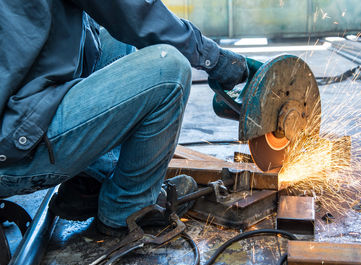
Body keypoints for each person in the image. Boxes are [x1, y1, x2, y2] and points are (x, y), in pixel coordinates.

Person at [0, 0, 248, 236]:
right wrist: (213, 58)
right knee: (169, 69)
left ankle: (91, 184)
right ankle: (128, 208)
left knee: (110, 37)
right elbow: (133, 11)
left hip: (17, 109)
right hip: (12, 148)